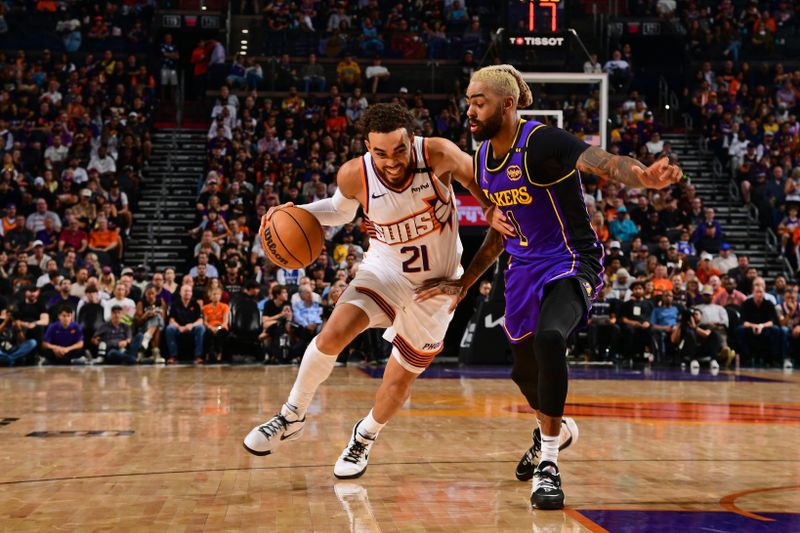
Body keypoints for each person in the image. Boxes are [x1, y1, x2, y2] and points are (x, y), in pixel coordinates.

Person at [415, 64, 681, 509]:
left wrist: (645, 178)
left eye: (479, 102)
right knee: (522, 372)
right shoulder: (481, 161)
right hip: (521, 269)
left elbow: (604, 162)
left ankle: (549, 464)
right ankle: (552, 431)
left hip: (570, 261)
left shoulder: (540, 142)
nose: (470, 110)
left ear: (508, 104)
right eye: (468, 101)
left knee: (551, 337)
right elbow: (501, 232)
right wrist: (463, 285)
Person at [242, 103, 496, 481]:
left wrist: (466, 281)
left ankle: (365, 436)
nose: (391, 161)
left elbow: (495, 210)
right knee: (332, 333)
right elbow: (338, 212)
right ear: (367, 146)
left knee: (397, 383)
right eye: (380, 152)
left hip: (436, 288)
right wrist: (293, 210)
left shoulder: (440, 155)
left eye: (398, 150)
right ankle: (291, 414)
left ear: (411, 140)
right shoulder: (355, 174)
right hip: (385, 271)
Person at [165, 284, 205, 364]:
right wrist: (179, 327)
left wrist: (191, 325)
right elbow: (171, 320)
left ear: (192, 293)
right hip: (179, 328)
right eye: (185, 291)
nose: (187, 293)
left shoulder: (195, 304)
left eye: (189, 291)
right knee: (169, 328)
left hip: (192, 328)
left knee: (201, 328)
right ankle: (173, 356)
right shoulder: (175, 304)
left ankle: (198, 356)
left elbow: (200, 320)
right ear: (180, 293)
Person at [202, 287, 229, 364]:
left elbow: (225, 321)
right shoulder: (205, 307)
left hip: (221, 327)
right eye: (214, 294)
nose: (216, 296)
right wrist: (211, 328)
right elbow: (205, 321)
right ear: (210, 296)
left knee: (220, 333)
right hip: (210, 327)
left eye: (218, 294)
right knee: (208, 333)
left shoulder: (225, 306)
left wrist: (218, 328)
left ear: (220, 296)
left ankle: (219, 354)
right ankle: (207, 355)